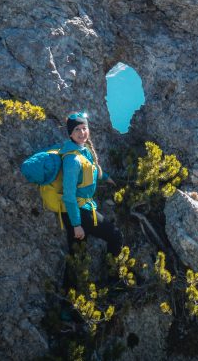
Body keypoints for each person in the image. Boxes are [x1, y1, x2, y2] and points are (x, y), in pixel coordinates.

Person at [61, 112, 123, 277]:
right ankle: (113, 278)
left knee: (77, 256)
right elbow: (68, 195)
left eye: (84, 128)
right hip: (78, 213)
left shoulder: (84, 150)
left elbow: (91, 169)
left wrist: (108, 178)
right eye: (77, 130)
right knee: (115, 236)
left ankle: (69, 299)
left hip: (80, 211)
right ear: (70, 134)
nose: (82, 133)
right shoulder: (72, 161)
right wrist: (76, 225)